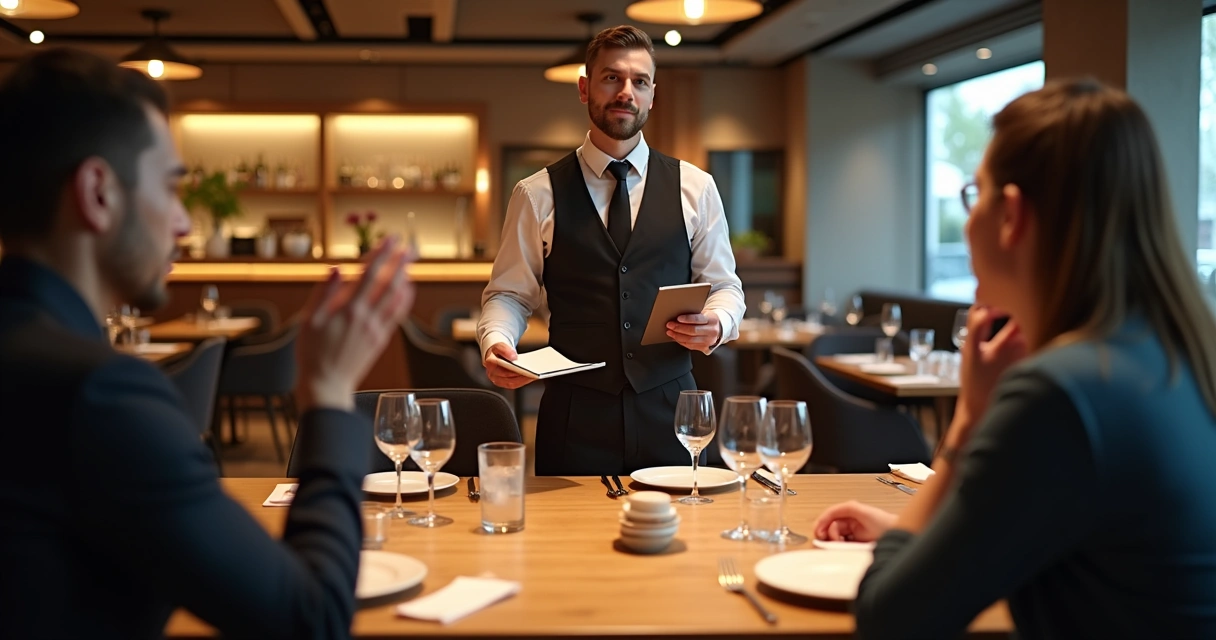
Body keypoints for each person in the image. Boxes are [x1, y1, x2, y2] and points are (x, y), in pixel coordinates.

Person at [0, 49, 415, 638]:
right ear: (97, 193)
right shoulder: (101, 395)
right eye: (171, 189)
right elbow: (309, 617)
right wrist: (327, 394)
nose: (183, 224)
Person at [813, 79, 1216, 638]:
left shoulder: (1061, 394)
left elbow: (888, 618)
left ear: (1011, 214)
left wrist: (970, 422)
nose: (969, 219)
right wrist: (921, 533)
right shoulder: (1175, 355)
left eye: (973, 196)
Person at [477, 26, 745, 475]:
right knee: (569, 544)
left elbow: (725, 286)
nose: (626, 92)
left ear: (652, 95)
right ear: (585, 88)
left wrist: (717, 322)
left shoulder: (696, 187)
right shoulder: (536, 193)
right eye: (611, 79)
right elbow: (509, 294)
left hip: (675, 413)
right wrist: (498, 341)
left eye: (639, 81)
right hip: (574, 414)